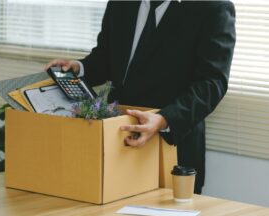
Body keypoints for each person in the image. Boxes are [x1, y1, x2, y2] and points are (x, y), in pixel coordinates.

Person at [45, 0, 236, 194]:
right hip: (117, 139)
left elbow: (212, 83)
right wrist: (80, 68)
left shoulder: (213, 8)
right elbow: (107, 57)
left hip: (172, 143)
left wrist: (164, 119)